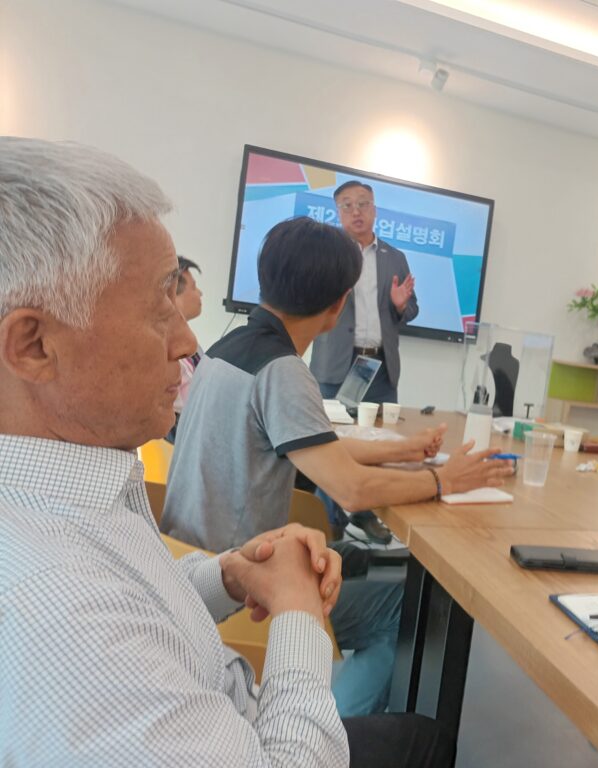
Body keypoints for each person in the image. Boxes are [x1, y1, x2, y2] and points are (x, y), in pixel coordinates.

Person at [0, 137, 453, 766]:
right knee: (426, 734)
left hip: (219, 593)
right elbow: (346, 485)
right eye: (160, 305)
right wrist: (298, 613)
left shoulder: (74, 491)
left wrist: (229, 575)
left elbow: (138, 592)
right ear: (34, 346)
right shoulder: (60, 612)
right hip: (261, 721)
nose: (187, 339)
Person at [161, 215, 511, 717]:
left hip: (194, 563)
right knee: (404, 609)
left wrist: (404, 451)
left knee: (372, 562)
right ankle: (335, 734)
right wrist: (444, 480)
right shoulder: (283, 370)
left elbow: (315, 448)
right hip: (241, 585)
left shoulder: (227, 349)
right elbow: (351, 490)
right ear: (339, 304)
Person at [310, 180, 416, 404]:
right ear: (338, 213)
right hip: (335, 364)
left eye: (363, 204)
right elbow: (308, 301)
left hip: (381, 370)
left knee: (382, 426)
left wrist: (400, 306)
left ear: (374, 210)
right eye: (347, 205)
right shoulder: (325, 253)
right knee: (329, 425)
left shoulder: (396, 258)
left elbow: (412, 310)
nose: (356, 212)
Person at [172, 255, 203, 414]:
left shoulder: (192, 346)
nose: (200, 293)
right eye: (194, 287)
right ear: (173, 292)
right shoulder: (168, 352)